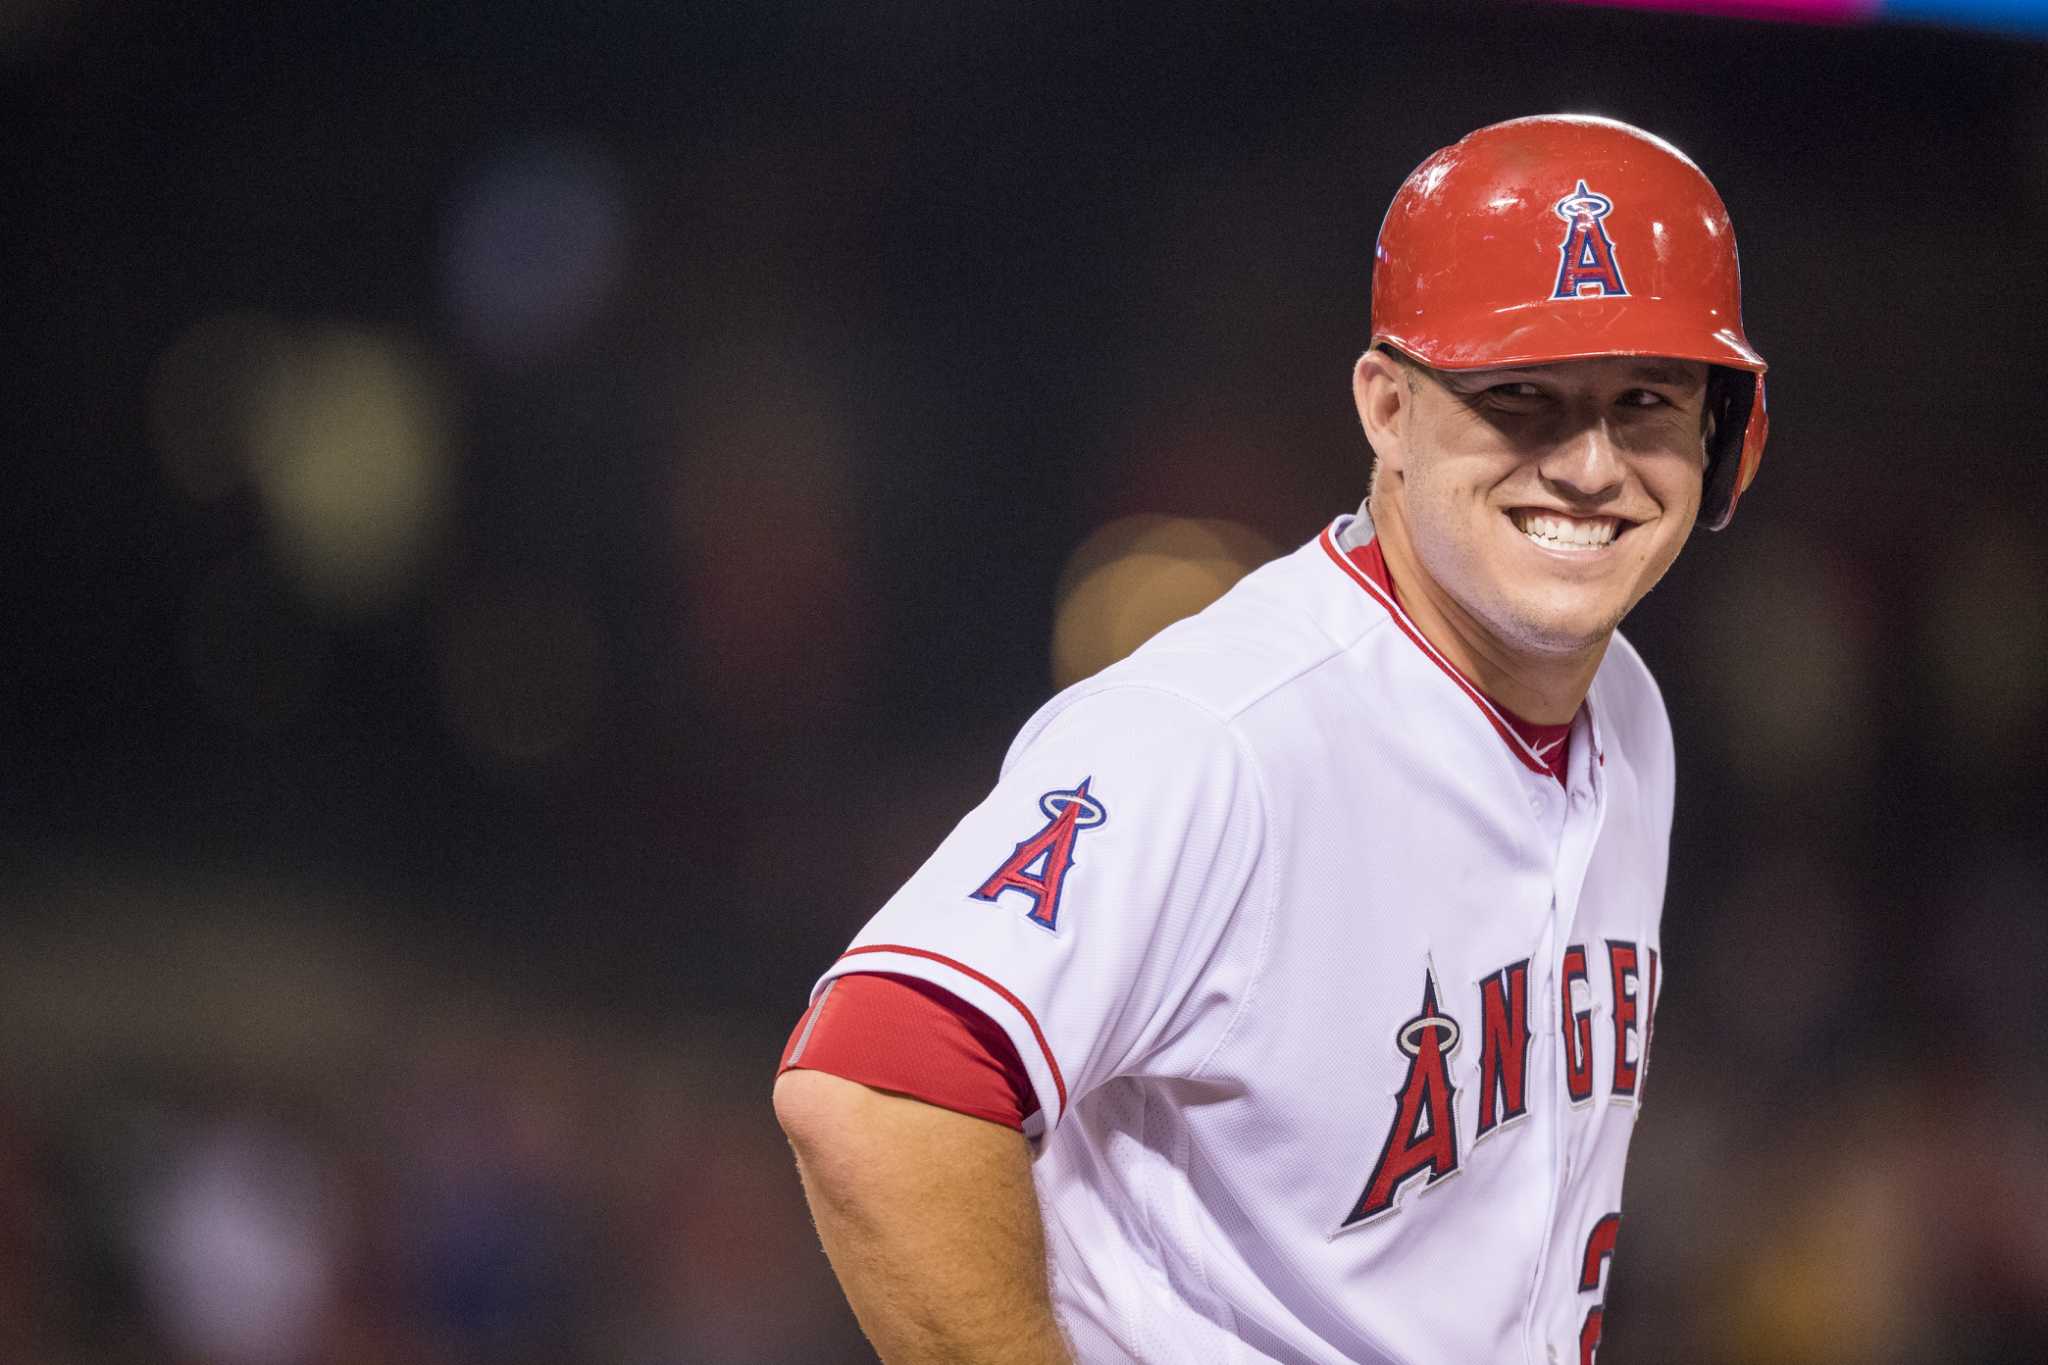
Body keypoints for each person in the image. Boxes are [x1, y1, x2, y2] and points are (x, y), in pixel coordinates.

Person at [771, 113, 1769, 1364]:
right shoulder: (1221, 736)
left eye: (1644, 404)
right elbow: (873, 1086)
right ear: (1388, 410)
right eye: (1520, 399)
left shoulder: (1626, 705)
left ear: (1720, 435)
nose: (1587, 464)